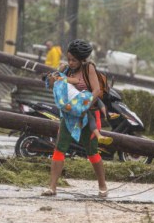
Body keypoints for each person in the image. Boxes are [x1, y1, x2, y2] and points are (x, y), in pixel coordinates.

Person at [42, 39, 109, 198]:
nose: (70, 62)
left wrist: (83, 105)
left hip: (88, 115)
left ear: (82, 59)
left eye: (74, 60)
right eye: (69, 59)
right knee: (59, 148)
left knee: (91, 151)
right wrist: (53, 77)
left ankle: (103, 186)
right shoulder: (66, 70)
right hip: (69, 115)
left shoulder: (89, 68)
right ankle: (52, 187)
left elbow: (96, 90)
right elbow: (53, 84)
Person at [45, 71, 112, 146]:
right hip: (78, 100)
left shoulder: (58, 85)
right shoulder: (60, 83)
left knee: (88, 116)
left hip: (73, 105)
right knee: (95, 101)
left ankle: (98, 134)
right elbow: (75, 81)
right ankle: (106, 116)